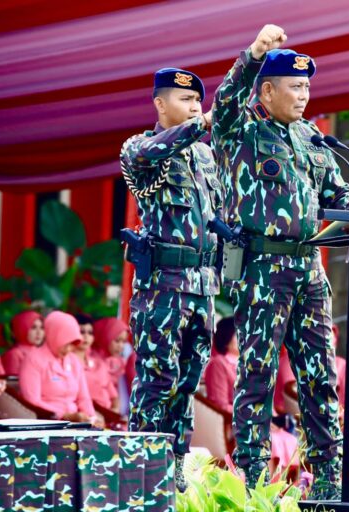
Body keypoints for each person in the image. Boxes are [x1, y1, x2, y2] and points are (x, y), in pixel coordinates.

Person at [212, 24, 349, 497]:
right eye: (295, 86)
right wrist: (253, 54)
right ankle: (252, 481)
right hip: (262, 271)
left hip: (309, 270)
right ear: (268, 91)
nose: (304, 95)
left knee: (320, 376)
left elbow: (343, 195)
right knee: (257, 375)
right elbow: (227, 101)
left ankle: (328, 482)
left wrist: (347, 226)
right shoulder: (243, 129)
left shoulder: (313, 139)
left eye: (308, 86)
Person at [120, 65, 221, 490]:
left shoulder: (203, 154)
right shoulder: (139, 149)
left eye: (199, 101)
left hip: (202, 286)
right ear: (160, 105)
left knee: (188, 382)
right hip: (163, 286)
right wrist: (203, 124)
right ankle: (141, 468)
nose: (195, 108)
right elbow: (156, 152)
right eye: (185, 100)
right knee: (156, 379)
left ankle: (175, 461)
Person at [204, 317, 298, 472]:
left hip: (263, 424)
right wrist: (252, 416)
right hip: (238, 425)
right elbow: (219, 404)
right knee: (270, 441)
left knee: (289, 439)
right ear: (227, 337)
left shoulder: (251, 363)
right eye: (238, 333)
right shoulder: (218, 364)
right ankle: (264, 487)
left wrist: (270, 418)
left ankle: (285, 490)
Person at [19, 311, 97, 424]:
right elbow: (32, 401)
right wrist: (64, 416)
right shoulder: (33, 360)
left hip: (75, 422)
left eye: (73, 344)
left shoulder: (73, 360)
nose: (69, 349)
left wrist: (92, 417)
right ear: (54, 336)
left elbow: (84, 398)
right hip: (46, 423)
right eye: (66, 343)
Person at [73, 314, 116, 411]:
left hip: (107, 411)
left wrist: (115, 409)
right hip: (84, 413)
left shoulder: (98, 362)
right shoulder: (68, 362)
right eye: (82, 332)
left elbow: (113, 394)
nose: (86, 336)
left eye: (90, 333)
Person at [92, 318, 130, 410]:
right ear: (105, 336)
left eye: (124, 342)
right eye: (117, 341)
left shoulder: (118, 362)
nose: (121, 346)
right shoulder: (91, 361)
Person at [2, 310, 44, 375]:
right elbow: (12, 383)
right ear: (22, 328)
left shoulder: (41, 353)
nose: (39, 332)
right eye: (33, 327)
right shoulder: (14, 355)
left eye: (41, 328)